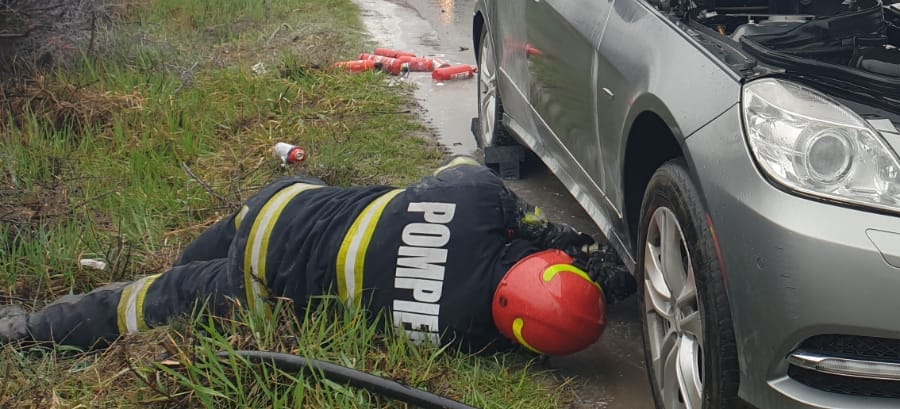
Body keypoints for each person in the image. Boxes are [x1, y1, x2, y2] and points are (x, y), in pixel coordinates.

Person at [0, 156, 635, 356]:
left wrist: (587, 264)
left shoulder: (473, 197)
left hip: (281, 208)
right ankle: (30, 334)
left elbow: (529, 222)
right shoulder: (464, 332)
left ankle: (47, 313)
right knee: (144, 307)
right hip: (254, 289)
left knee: (181, 265)